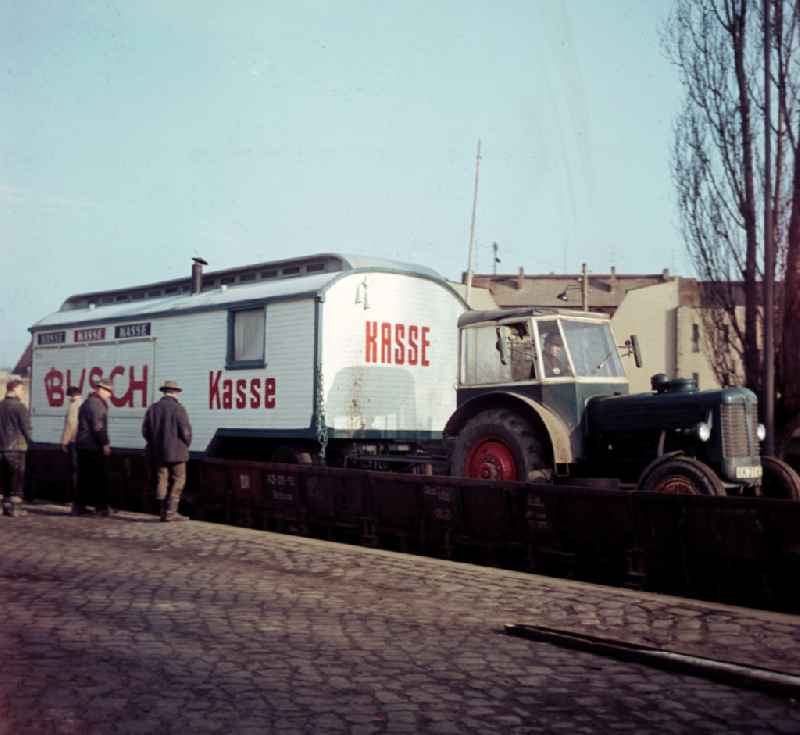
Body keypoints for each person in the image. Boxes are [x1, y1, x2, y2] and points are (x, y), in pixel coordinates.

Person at [142, 380, 192, 522]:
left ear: (164, 392)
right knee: (178, 479)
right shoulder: (178, 409)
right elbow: (185, 431)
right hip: (177, 452)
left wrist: (154, 443)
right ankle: (171, 511)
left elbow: (145, 430)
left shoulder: (153, 408)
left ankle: (162, 511)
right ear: (176, 392)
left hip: (158, 452)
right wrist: (185, 444)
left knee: (161, 479)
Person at [74, 379, 114, 517]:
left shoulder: (89, 402)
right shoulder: (96, 404)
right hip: (92, 446)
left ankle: (79, 506)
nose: (110, 394)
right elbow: (98, 426)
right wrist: (105, 443)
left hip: (84, 445)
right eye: (108, 391)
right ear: (100, 389)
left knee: (85, 477)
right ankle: (101, 507)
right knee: (99, 477)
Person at [0, 380, 32, 518]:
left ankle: (2, 508)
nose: (23, 392)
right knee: (16, 479)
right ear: (15, 389)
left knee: (2, 479)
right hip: (16, 448)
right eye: (21, 389)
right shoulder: (20, 407)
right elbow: (26, 428)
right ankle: (15, 509)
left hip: (1, 447)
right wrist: (31, 441)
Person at [60, 386, 83, 501]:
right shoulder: (83, 403)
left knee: (74, 470)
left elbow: (71, 424)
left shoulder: (74, 405)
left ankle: (74, 498)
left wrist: (64, 441)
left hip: (74, 441)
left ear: (72, 395)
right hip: (83, 441)